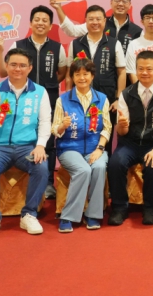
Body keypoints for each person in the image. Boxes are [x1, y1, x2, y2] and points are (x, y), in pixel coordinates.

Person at [0, 5, 67, 200]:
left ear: (50, 25)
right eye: (37, 19)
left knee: (48, 141)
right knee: (25, 136)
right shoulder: (18, 45)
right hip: (20, 99)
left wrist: (47, 88)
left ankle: (48, 182)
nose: (40, 23)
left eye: (45, 20)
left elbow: (62, 73)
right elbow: (2, 72)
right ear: (30, 23)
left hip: (48, 98)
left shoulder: (58, 48)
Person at [0, 48, 52, 239]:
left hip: (27, 147)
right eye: (13, 64)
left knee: (41, 166)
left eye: (22, 65)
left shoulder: (40, 92)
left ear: (30, 68)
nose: (18, 69)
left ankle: (29, 214)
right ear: (6, 66)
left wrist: (40, 145)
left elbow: (45, 122)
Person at [108, 51, 153, 226]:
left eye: (149, 69)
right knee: (115, 163)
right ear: (136, 70)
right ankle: (119, 207)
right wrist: (122, 126)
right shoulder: (126, 93)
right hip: (130, 143)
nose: (144, 72)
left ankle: (150, 208)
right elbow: (122, 132)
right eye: (140, 69)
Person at [52, 58, 111, 232]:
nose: (82, 78)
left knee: (99, 167)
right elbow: (54, 129)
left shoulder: (102, 99)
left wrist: (100, 149)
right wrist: (62, 126)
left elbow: (107, 127)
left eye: (86, 74)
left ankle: (93, 214)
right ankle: (68, 216)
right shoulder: (63, 100)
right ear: (72, 77)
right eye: (77, 74)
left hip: (95, 147)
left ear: (92, 76)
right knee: (83, 170)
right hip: (69, 148)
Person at [67, 5, 126, 156]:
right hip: (79, 99)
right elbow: (69, 73)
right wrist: (68, 97)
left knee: (104, 134)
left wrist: (118, 98)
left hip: (106, 99)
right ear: (85, 21)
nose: (95, 22)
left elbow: (121, 72)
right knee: (79, 133)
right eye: (91, 19)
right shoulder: (75, 44)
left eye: (98, 19)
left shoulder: (114, 43)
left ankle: (103, 168)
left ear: (105, 21)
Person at [52, 0, 142, 56]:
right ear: (111, 2)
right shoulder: (99, 23)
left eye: (124, 1)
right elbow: (72, 31)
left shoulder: (137, 31)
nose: (120, 4)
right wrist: (58, 8)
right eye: (117, 0)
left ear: (130, 5)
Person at [125, 4, 153, 85]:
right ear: (142, 21)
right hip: (140, 89)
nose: (151, 21)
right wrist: (142, 89)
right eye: (147, 18)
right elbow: (132, 72)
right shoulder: (133, 44)